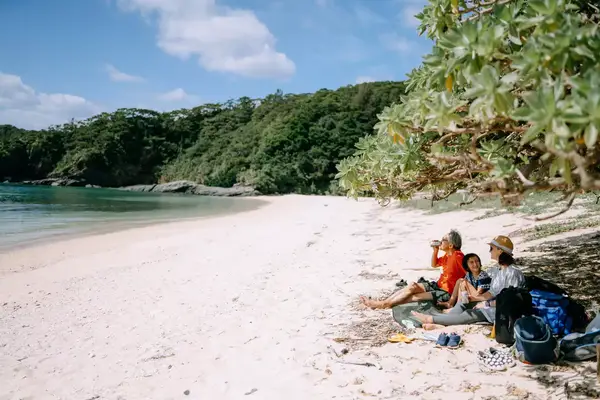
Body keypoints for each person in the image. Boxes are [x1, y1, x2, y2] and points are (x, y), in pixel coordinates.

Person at [411, 244, 526, 326]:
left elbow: (510, 300)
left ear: (500, 251)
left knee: (468, 314)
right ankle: (439, 320)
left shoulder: (512, 273)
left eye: (492, 248)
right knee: (464, 303)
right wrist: (476, 298)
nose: (490, 251)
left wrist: (485, 304)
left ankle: (431, 319)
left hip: (500, 311)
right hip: (491, 304)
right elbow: (490, 293)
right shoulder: (496, 270)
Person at [360, 230, 465, 309]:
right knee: (412, 286)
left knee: (415, 297)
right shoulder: (447, 256)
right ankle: (384, 302)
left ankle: (383, 305)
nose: (440, 242)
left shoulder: (458, 256)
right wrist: (435, 251)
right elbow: (434, 264)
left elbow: (468, 273)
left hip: (446, 293)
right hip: (438, 285)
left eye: (443, 240)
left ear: (451, 245)